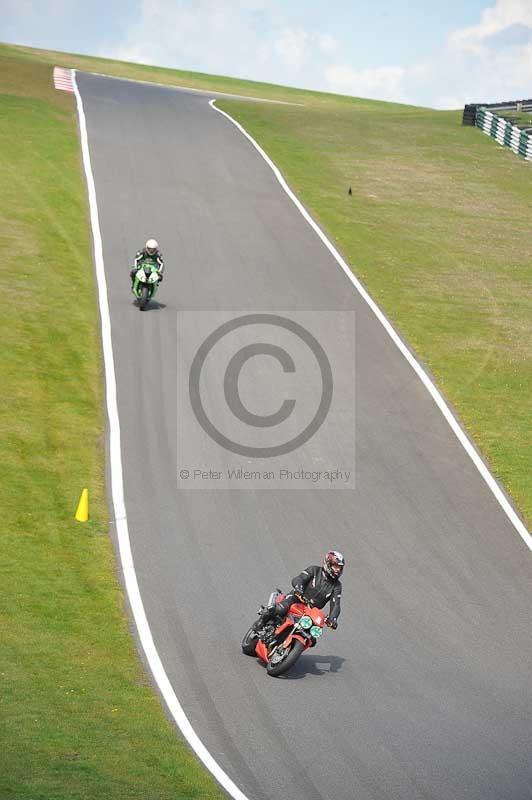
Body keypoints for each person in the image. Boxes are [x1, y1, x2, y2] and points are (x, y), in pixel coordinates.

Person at [255, 551, 344, 640]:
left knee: (312, 637)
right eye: (335, 566)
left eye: (340, 568)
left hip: (310, 611)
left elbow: (336, 604)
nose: (338, 570)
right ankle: (260, 623)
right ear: (328, 564)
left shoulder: (337, 586)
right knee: (281, 609)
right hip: (297, 598)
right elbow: (299, 578)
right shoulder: (314, 570)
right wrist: (298, 588)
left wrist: (333, 619)